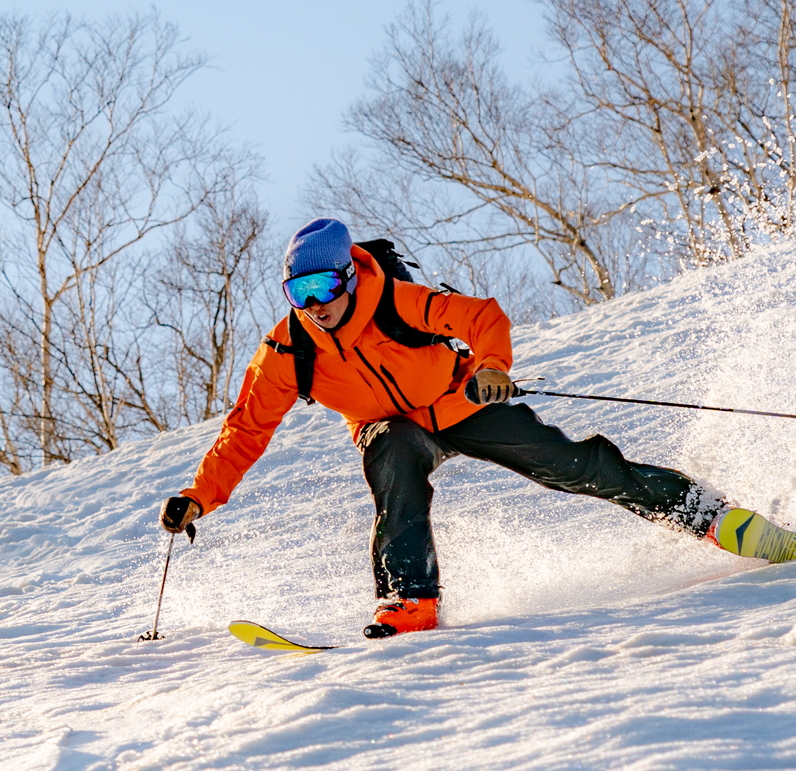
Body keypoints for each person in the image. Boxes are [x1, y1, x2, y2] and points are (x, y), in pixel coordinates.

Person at [160, 218, 754, 638]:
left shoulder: (397, 300)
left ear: (347, 276)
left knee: (572, 467)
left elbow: (481, 316)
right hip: (393, 428)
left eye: (323, 287)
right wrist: (198, 496)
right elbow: (245, 431)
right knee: (393, 459)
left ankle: (703, 512)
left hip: (460, 401)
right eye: (298, 292)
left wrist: (492, 368)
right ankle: (409, 601)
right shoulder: (286, 352)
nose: (314, 305)